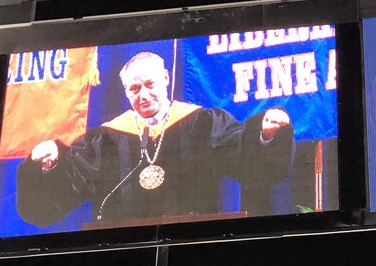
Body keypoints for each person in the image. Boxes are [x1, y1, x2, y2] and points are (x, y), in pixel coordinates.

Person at [16, 50, 294, 227]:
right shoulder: (105, 138)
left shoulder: (202, 122)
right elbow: (68, 185)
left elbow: (242, 152)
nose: (143, 94)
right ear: (126, 92)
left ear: (165, 79)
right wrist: (48, 166)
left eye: (149, 84)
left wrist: (265, 135)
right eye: (134, 88)